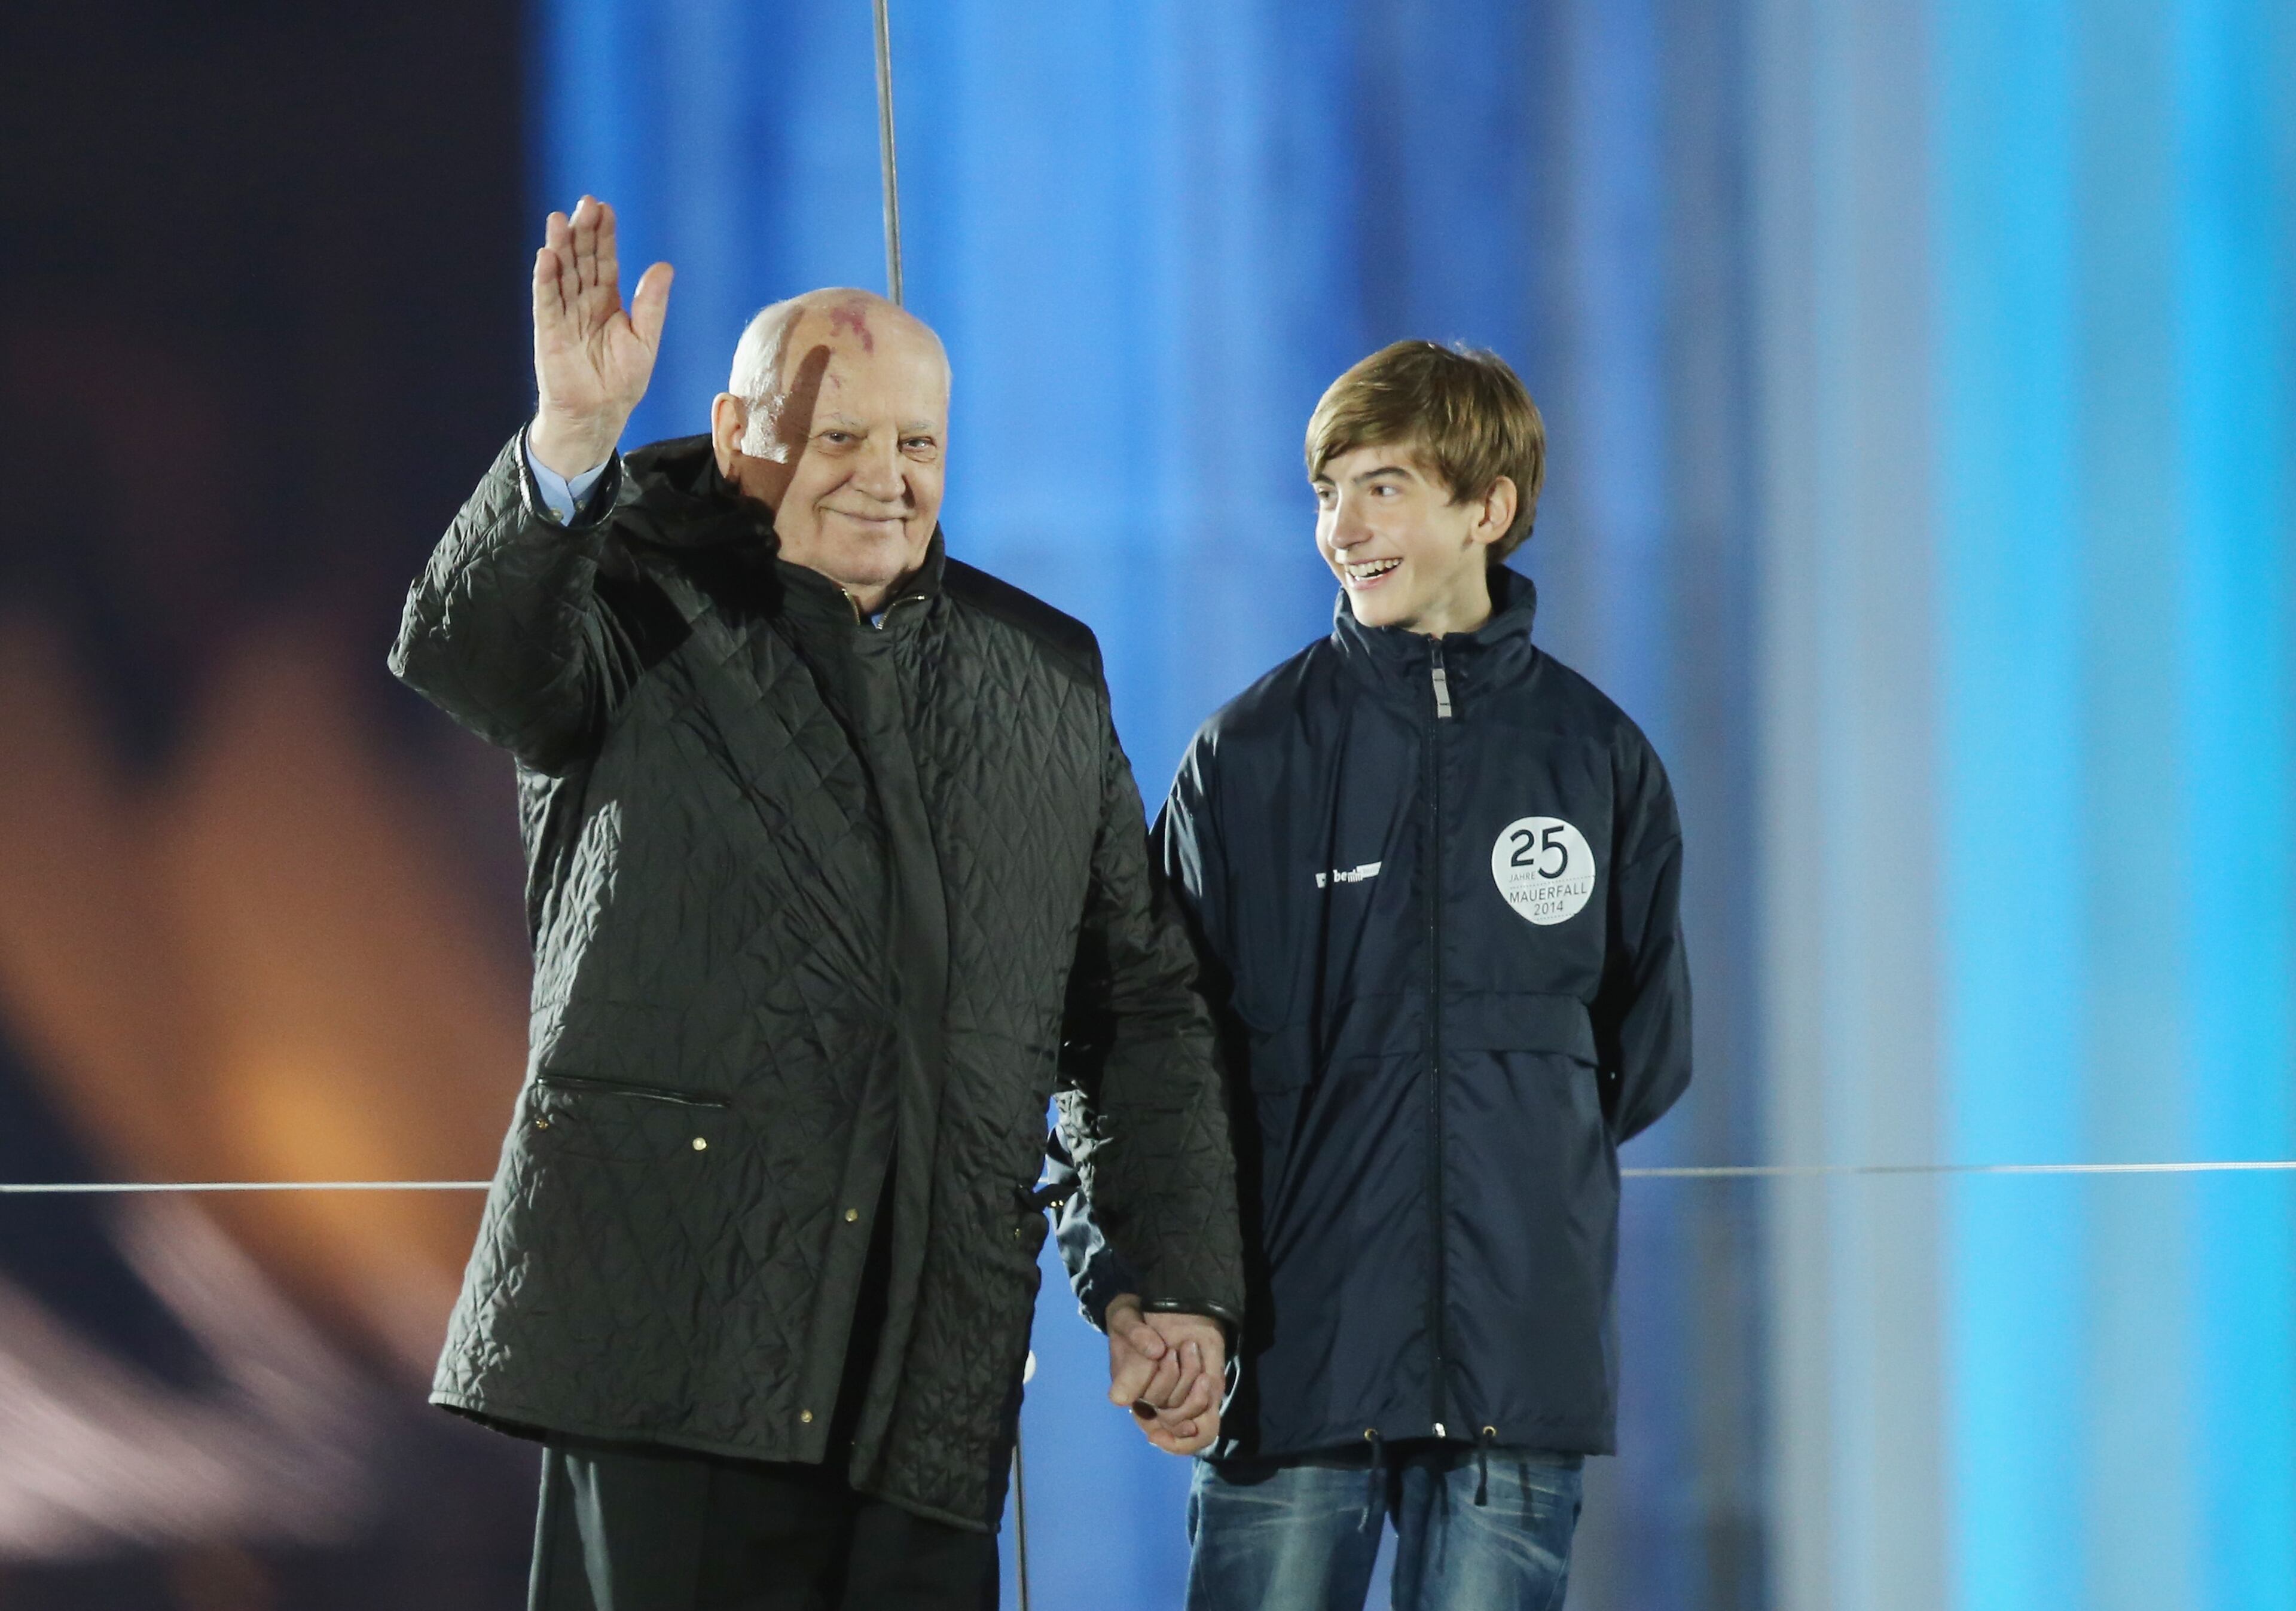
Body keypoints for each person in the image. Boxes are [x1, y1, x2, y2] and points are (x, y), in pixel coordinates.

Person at [389, 195, 1241, 1611]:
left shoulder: (1043, 674)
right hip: (668, 1354)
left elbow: (1137, 1006)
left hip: (930, 1368)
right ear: (740, 439)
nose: (886, 479)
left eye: (918, 444)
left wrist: (1165, 1272)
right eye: (839, 438)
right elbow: (473, 656)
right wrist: (571, 442)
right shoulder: (625, 600)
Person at [1059, 340, 1693, 1610]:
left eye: (1384, 487)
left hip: (1517, 1375)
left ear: (1488, 509)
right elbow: (1133, 1051)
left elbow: (1641, 1054)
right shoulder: (1244, 757)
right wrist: (1148, 1281)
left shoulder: (1599, 759)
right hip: (1296, 1372)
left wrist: (1501, 1158)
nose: (1343, 527)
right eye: (1326, 491)